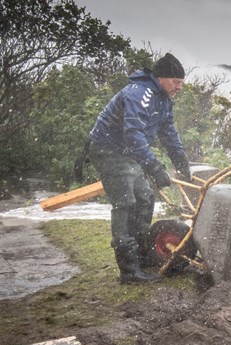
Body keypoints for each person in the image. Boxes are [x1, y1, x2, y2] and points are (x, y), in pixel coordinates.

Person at [88, 53, 191, 284]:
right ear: (161, 78)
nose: (179, 87)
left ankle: (143, 258)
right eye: (176, 82)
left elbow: (169, 134)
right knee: (125, 203)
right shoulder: (140, 93)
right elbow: (133, 135)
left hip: (127, 153)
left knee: (145, 198)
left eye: (181, 83)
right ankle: (129, 271)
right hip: (108, 151)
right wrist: (155, 168)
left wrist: (181, 164)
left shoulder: (163, 99)